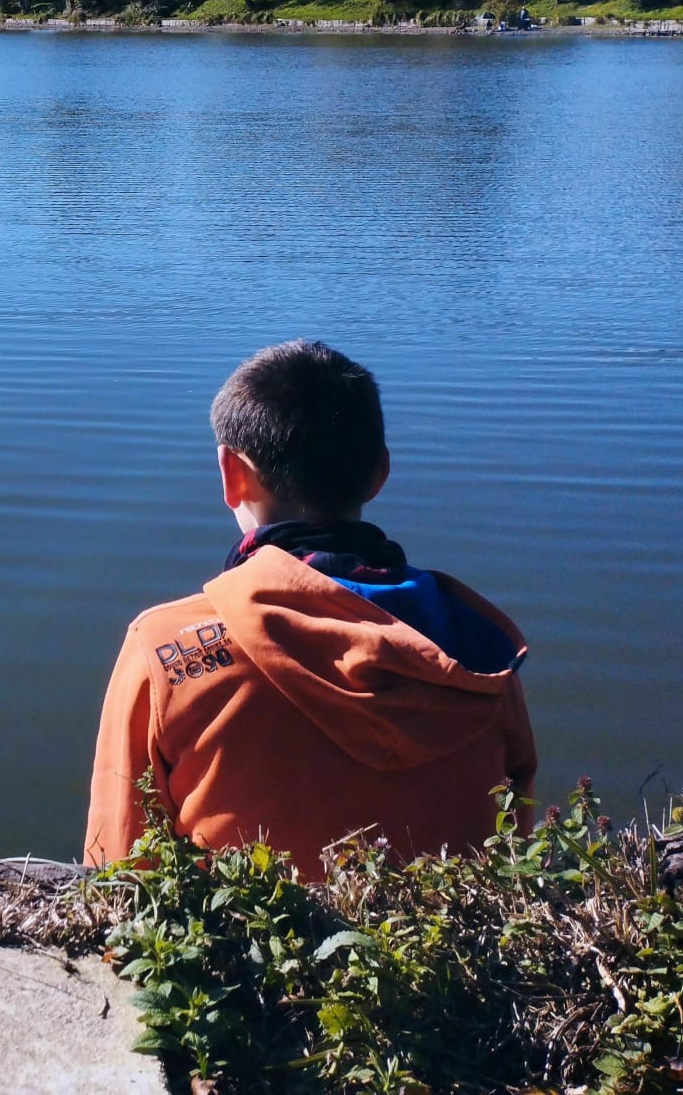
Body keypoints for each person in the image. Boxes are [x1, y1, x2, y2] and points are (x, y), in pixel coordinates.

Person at [85, 340, 536, 875]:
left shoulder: (164, 652)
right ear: (380, 473)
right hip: (447, 952)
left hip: (242, 955)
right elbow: (514, 842)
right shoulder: (479, 650)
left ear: (232, 475)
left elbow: (119, 873)